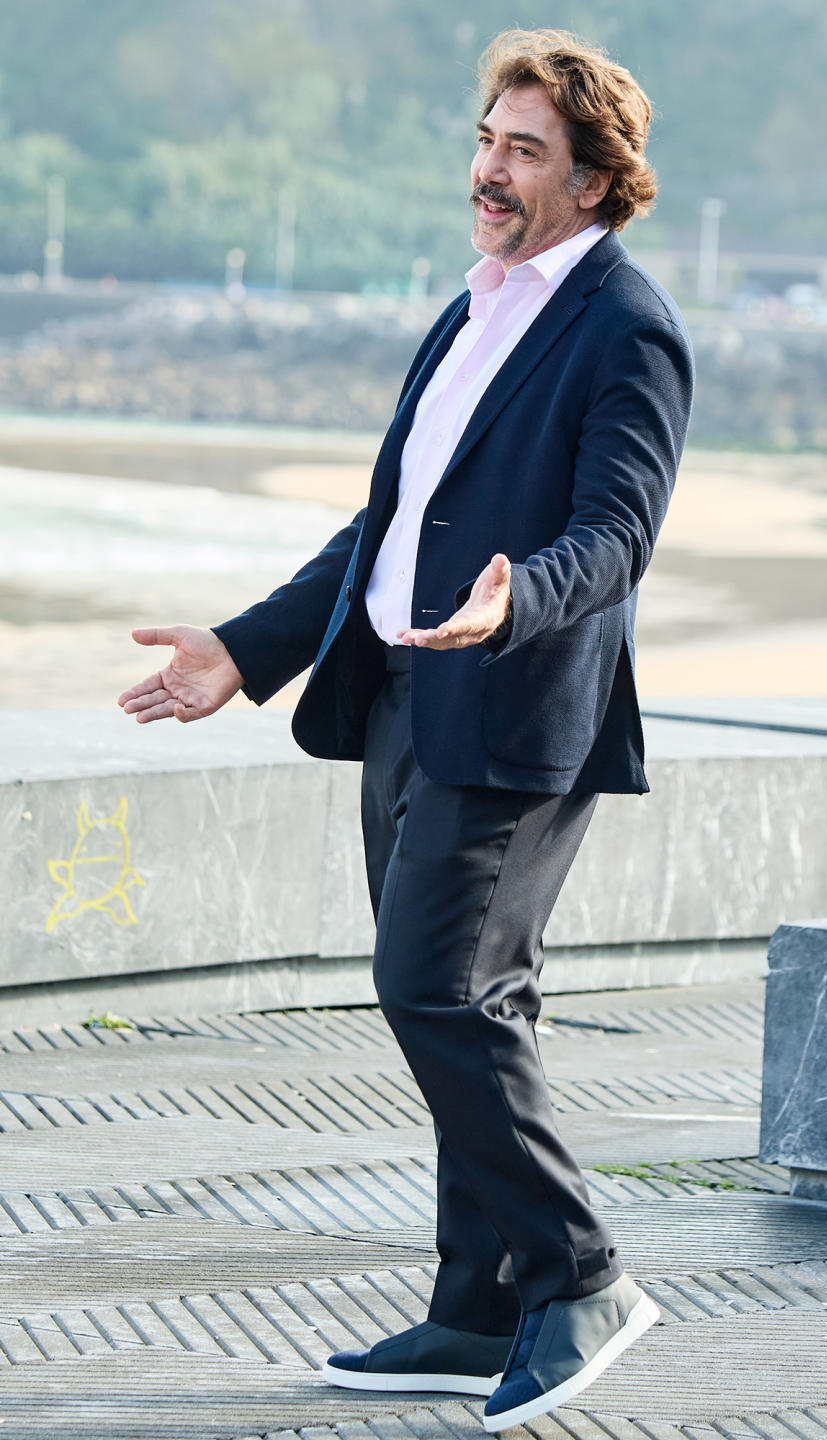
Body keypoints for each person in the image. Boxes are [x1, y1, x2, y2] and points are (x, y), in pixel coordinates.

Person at [118, 29, 694, 1431]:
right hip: (401, 705)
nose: (490, 171)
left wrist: (520, 601)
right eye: (487, 140)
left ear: (597, 179)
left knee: (436, 989)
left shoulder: (627, 324)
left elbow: (614, 533)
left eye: (526, 151)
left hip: (513, 713)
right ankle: (481, 1302)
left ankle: (583, 1274)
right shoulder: (476, 303)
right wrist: (245, 651)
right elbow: (388, 528)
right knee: (464, 1002)